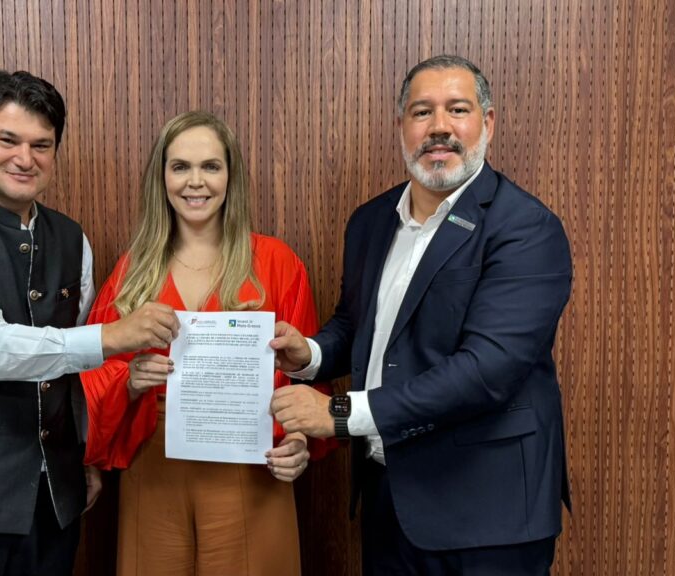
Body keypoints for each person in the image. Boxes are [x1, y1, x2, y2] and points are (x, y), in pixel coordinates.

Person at [269, 55, 572, 575]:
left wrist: (339, 414)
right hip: (391, 503)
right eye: (422, 112)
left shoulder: (525, 228)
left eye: (458, 109)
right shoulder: (371, 221)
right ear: (401, 126)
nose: (439, 127)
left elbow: (486, 371)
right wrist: (310, 354)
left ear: (488, 122)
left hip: (488, 516)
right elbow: (358, 324)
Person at [0, 70, 180, 576]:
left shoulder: (72, 239)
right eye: (8, 140)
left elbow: (74, 373)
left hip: (50, 507)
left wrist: (84, 457)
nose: (25, 158)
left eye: (41, 145)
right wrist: (114, 336)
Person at [81, 111, 334, 576]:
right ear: (161, 177)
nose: (195, 182)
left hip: (251, 463)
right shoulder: (133, 270)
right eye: (180, 166)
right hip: (154, 462)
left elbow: (307, 376)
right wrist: (130, 381)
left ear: (230, 175)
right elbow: (91, 375)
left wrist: (298, 439)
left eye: (210, 166)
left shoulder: (276, 263)